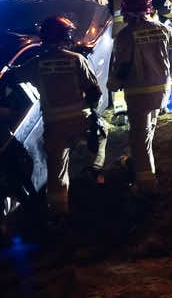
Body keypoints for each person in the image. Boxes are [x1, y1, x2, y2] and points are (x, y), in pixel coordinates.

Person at [107, 0, 172, 197]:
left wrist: (111, 86)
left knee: (139, 141)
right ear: (149, 9)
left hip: (138, 93)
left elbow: (121, 67)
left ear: (126, 11)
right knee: (147, 133)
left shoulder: (125, 36)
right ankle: (137, 166)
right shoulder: (161, 29)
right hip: (161, 92)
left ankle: (146, 187)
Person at [12, 15, 105, 218]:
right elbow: (94, 92)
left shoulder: (36, 63)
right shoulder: (76, 60)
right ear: (66, 36)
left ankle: (58, 212)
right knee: (101, 134)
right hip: (80, 120)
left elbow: (14, 75)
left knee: (56, 171)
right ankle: (94, 170)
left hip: (53, 125)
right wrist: (94, 113)